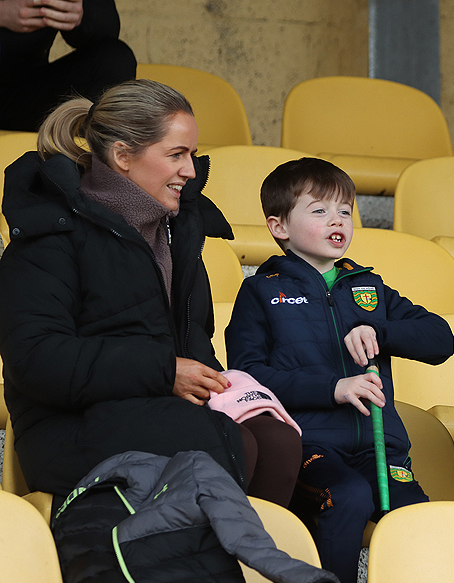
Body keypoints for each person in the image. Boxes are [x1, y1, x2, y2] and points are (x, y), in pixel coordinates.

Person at [0, 79, 301, 508]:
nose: (191, 171)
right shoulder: (50, 231)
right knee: (226, 442)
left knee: (278, 440)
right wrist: (163, 371)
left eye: (192, 154)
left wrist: (218, 385)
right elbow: (36, 360)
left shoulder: (179, 231)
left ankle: (253, 551)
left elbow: (193, 343)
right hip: (70, 425)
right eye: (176, 155)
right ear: (122, 156)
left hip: (160, 407)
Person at [225, 157, 454, 583]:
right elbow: (247, 376)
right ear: (279, 226)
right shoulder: (261, 290)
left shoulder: (368, 286)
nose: (337, 220)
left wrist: (380, 331)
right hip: (308, 445)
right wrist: (332, 388)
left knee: (415, 517)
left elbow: (441, 340)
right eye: (320, 210)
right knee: (348, 497)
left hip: (380, 447)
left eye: (345, 211)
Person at [0, 0, 136, 131]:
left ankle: (93, 142)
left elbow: (107, 26)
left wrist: (80, 15)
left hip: (23, 91)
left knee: (115, 59)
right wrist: (3, 12)